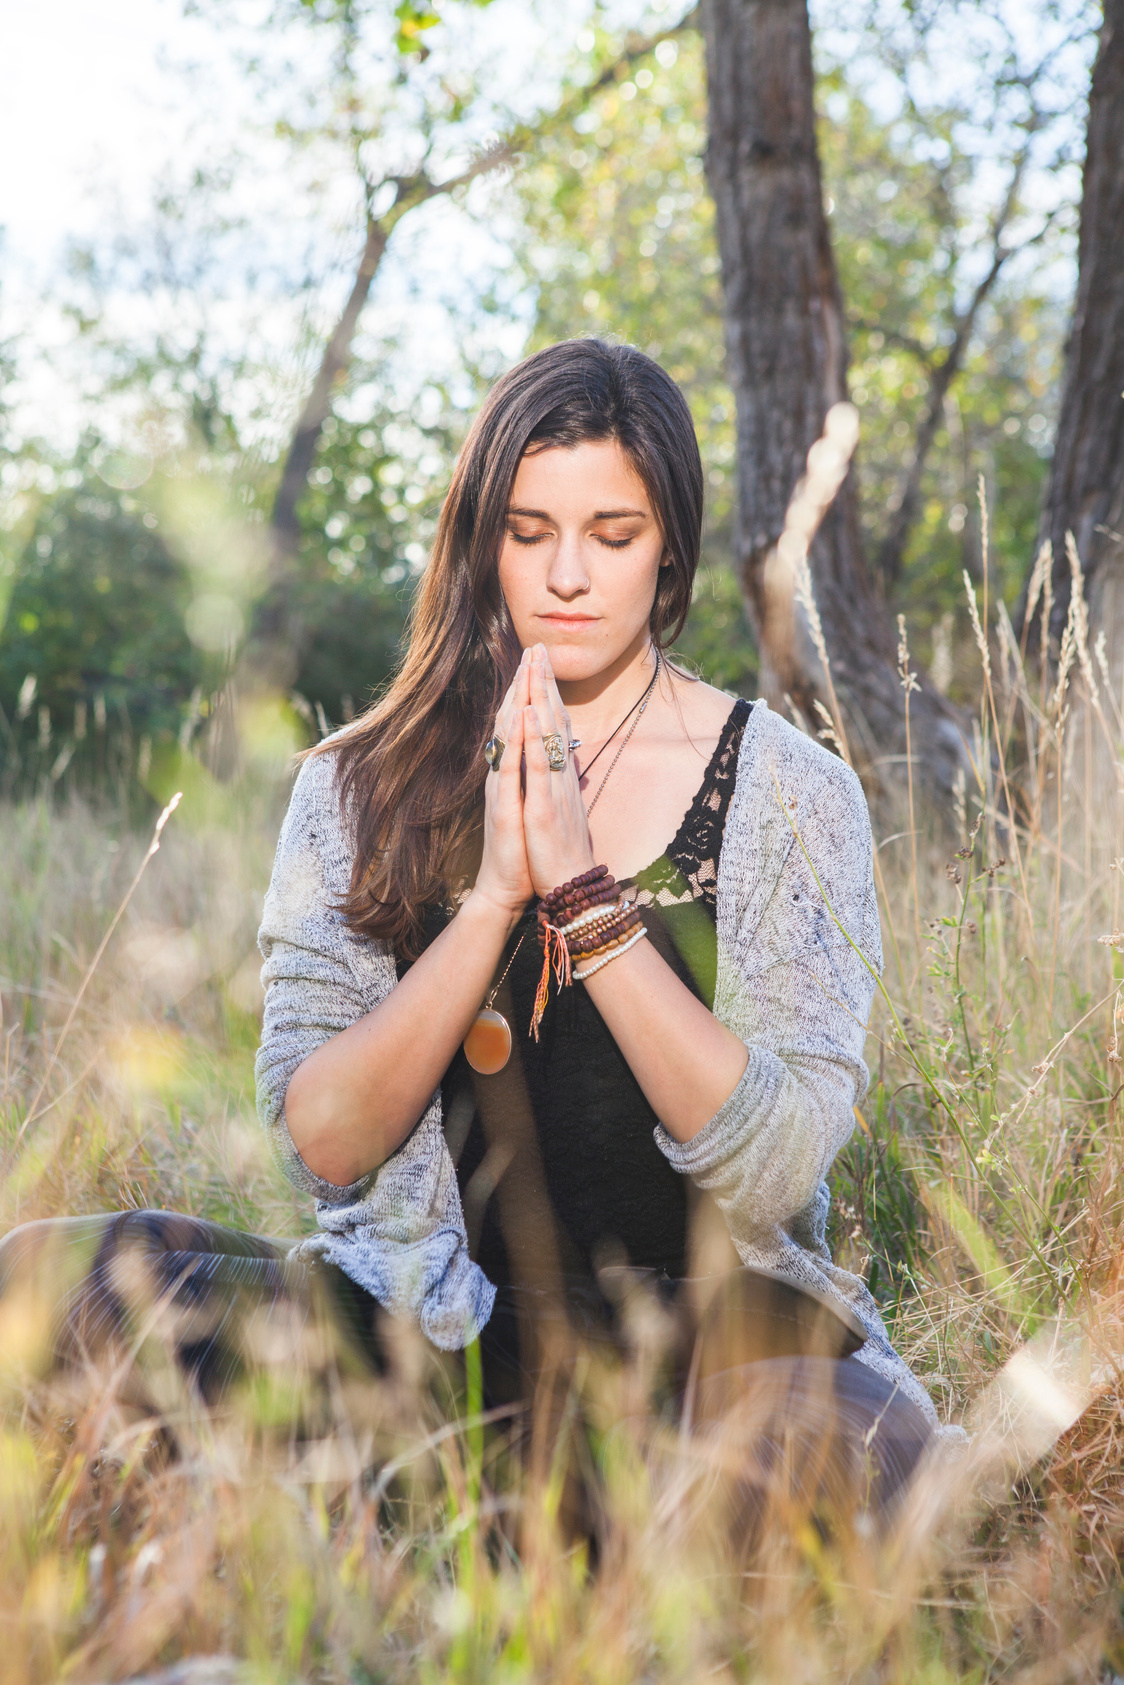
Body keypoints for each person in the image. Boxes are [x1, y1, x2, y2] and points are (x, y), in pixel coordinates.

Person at [0, 339, 941, 1525]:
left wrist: (589, 901)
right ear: (477, 537)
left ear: (669, 551)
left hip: (706, 1346)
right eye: (526, 528)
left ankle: (460, 1516)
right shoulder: (352, 786)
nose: (565, 574)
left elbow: (778, 1159)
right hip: (426, 1324)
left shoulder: (788, 792)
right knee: (43, 1277)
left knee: (856, 1456)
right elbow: (323, 1148)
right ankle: (484, 1504)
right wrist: (495, 893)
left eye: (613, 533)